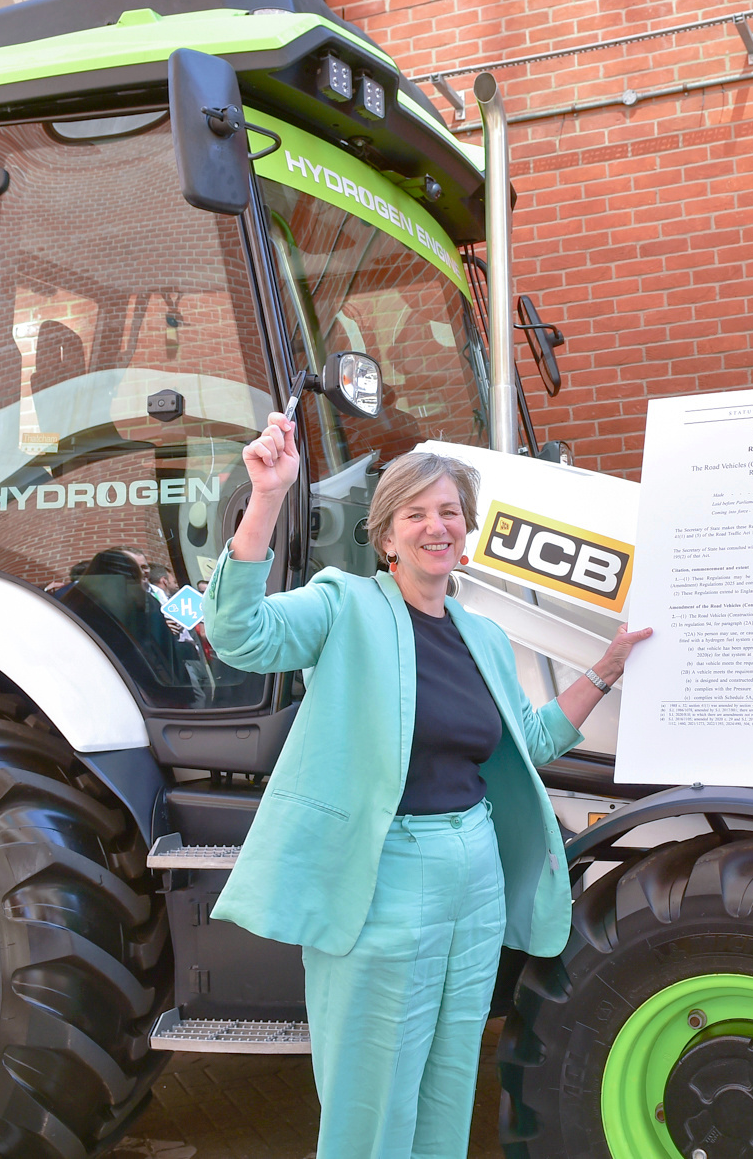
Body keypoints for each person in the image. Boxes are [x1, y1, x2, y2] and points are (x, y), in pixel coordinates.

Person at [202, 413, 649, 1159]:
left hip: (471, 874)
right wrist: (268, 496)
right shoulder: (344, 604)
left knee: (447, 1080)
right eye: (416, 513)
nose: (434, 526)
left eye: (449, 512)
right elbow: (238, 631)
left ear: (465, 533)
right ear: (385, 537)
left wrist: (604, 670)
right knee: (371, 1090)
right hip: (384, 874)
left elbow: (528, 742)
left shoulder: (483, 638)